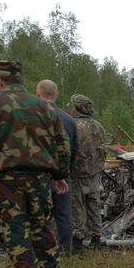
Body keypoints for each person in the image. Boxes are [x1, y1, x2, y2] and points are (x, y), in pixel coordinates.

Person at [0, 61, 71, 268]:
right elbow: (63, 146)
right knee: (43, 224)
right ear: (22, 80)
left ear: (0, 79)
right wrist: (59, 174)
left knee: (16, 228)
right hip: (40, 177)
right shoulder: (45, 107)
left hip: (6, 179)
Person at [36, 80, 79, 252]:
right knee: (64, 216)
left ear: (37, 94)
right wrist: (65, 170)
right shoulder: (69, 120)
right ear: (56, 95)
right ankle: (65, 252)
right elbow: (75, 148)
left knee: (39, 216)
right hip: (62, 175)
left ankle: (44, 253)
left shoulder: (32, 117)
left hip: (39, 175)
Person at [67, 94, 107, 248]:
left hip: (76, 173)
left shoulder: (72, 125)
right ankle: (97, 235)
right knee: (94, 203)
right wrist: (98, 167)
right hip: (94, 172)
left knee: (77, 205)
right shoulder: (98, 125)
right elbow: (102, 150)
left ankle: (78, 239)